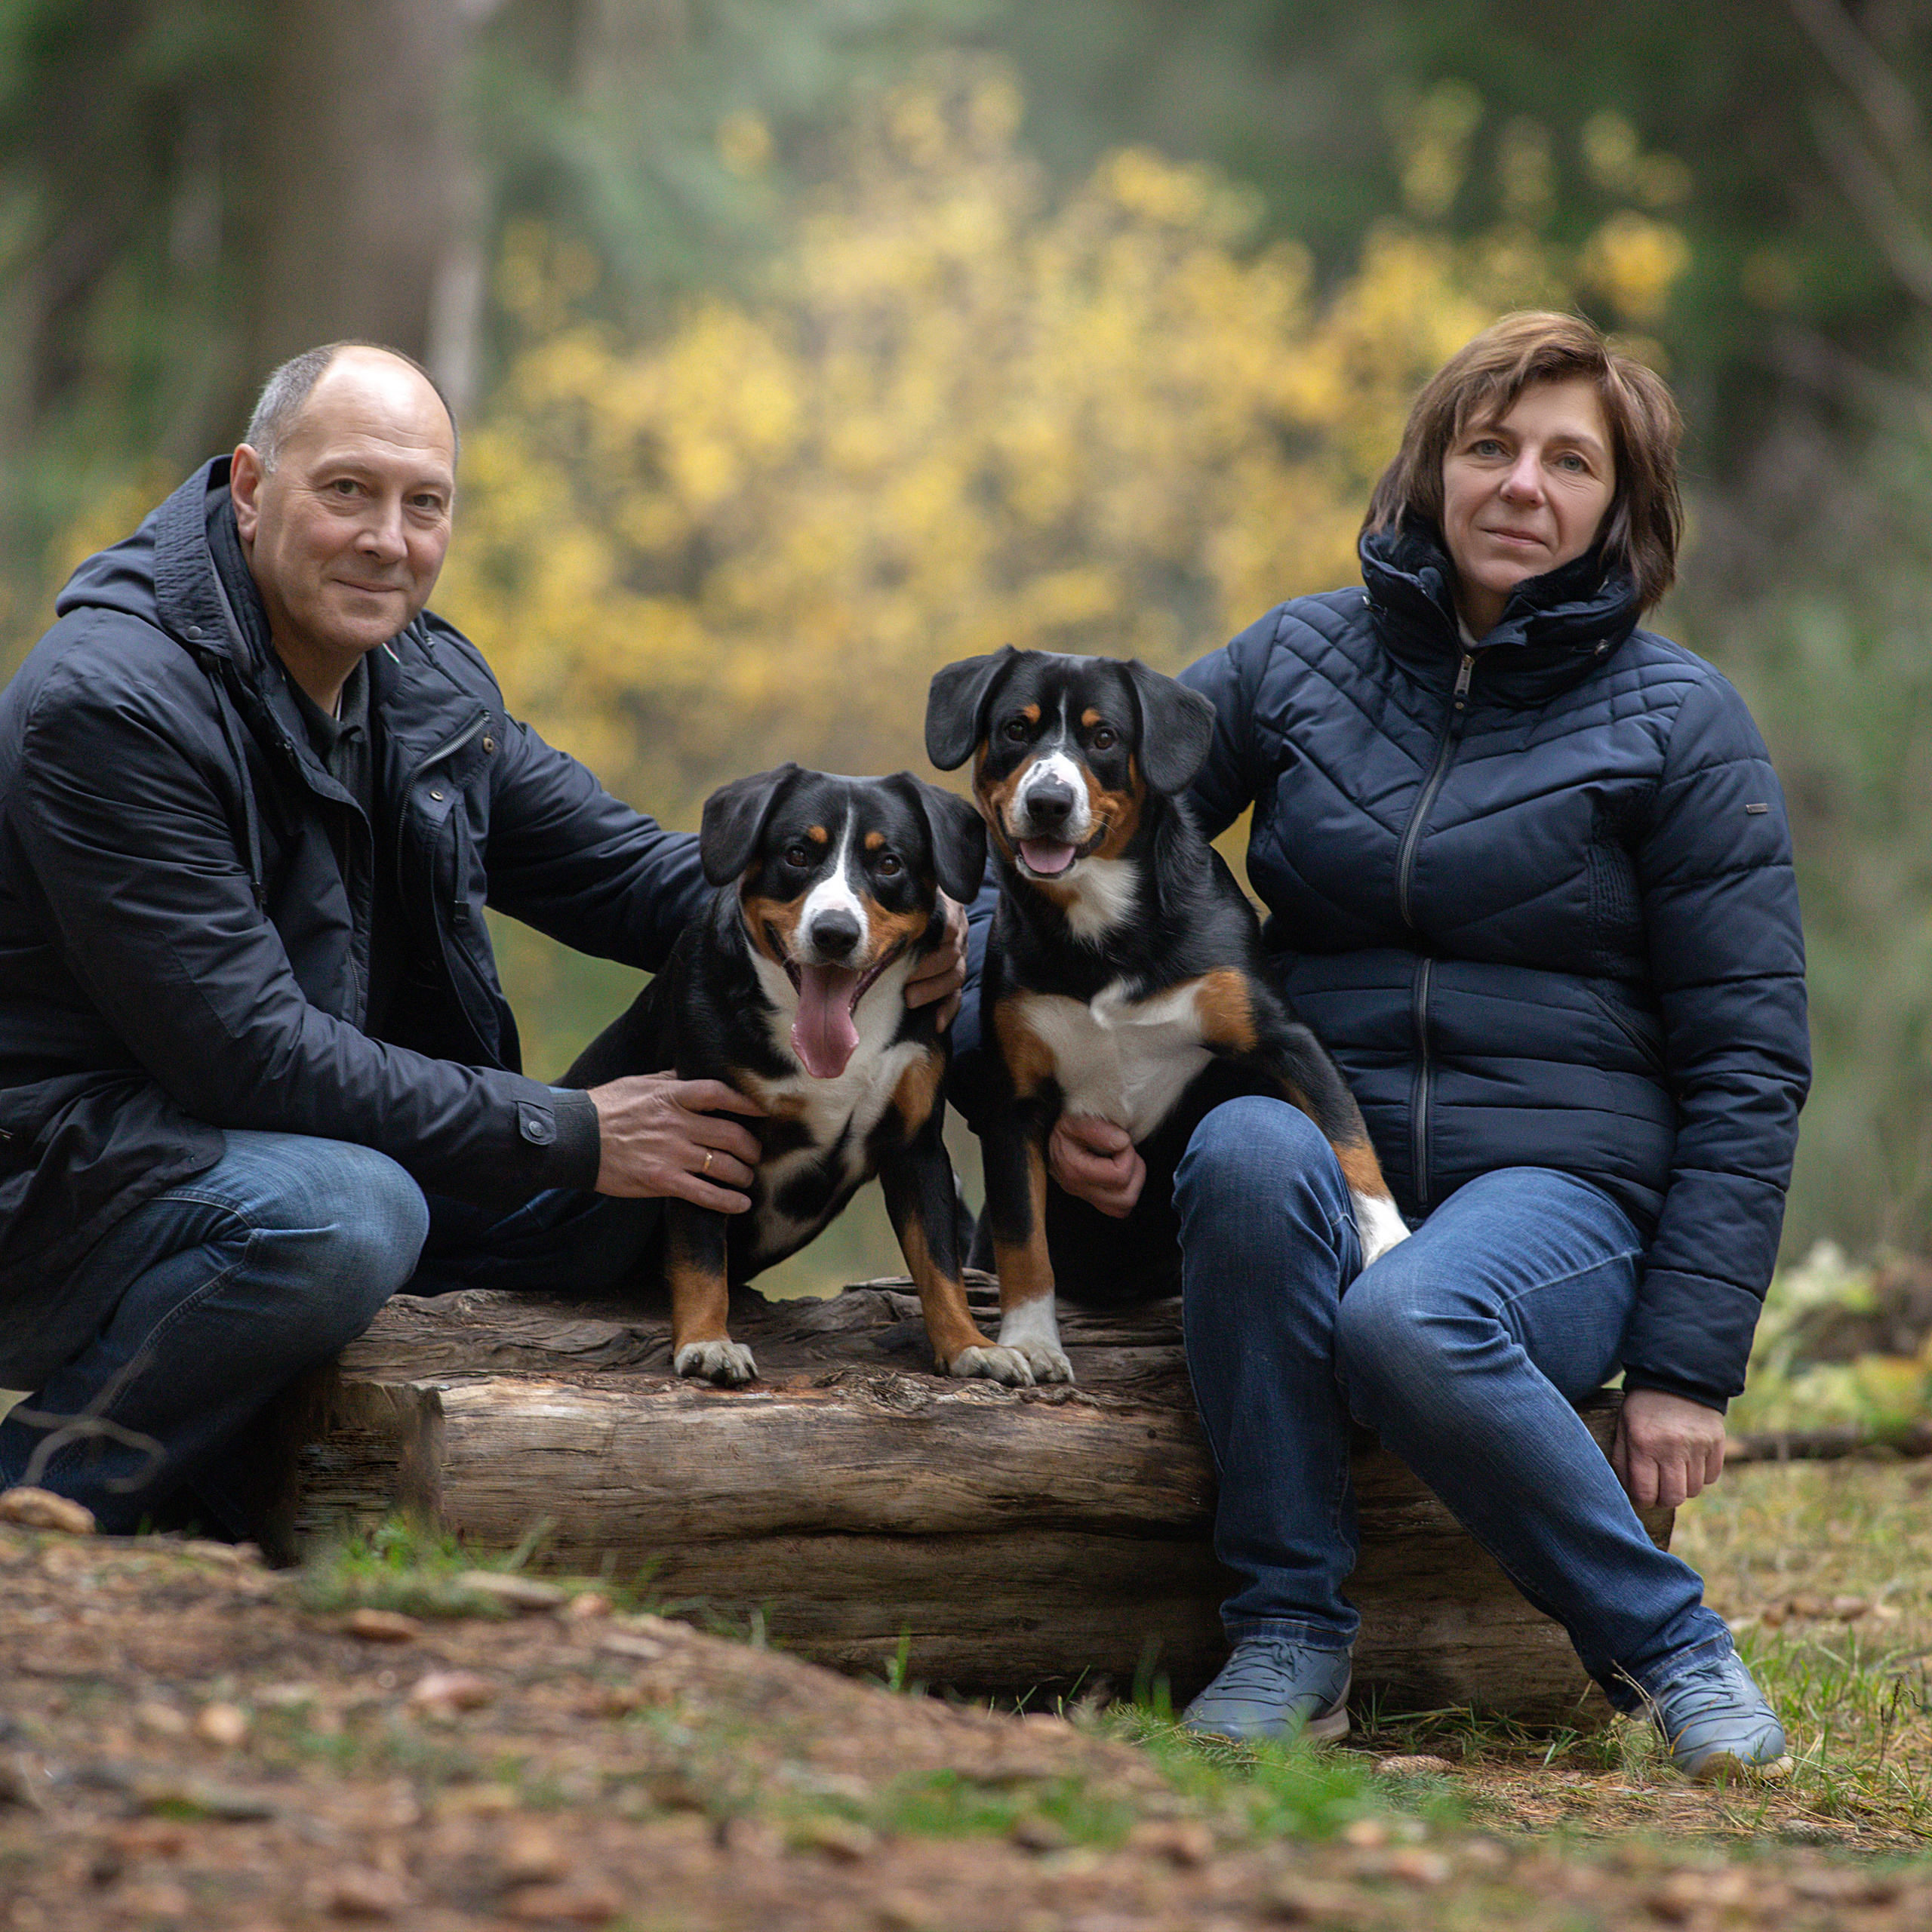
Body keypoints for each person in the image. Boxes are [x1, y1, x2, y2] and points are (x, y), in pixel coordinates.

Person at [0, 341, 962, 1537]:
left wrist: (880, 926)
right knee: (349, 1217)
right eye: (346, 490)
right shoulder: (112, 702)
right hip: (51, 1175)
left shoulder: (420, 683)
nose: (387, 540)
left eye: (425, 504)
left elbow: (640, 878)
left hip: (273, 1143)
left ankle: (254, 1501)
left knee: (622, 1180)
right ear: (250, 487)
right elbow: (244, 1055)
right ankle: (42, 1497)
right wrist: (568, 1129)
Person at [1047, 312, 1807, 1778]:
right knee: (1244, 1148)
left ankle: (1669, 1644)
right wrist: (1069, 1083)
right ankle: (1285, 1637)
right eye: (1488, 445)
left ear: (1618, 506)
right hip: (1316, 1131)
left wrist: (1686, 1364)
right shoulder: (1294, 658)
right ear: (1431, 467)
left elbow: (1746, 1059)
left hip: (1563, 1185)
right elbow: (1087, 842)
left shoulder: (1681, 723)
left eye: (1566, 459)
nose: (1521, 483)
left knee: (1408, 1317)